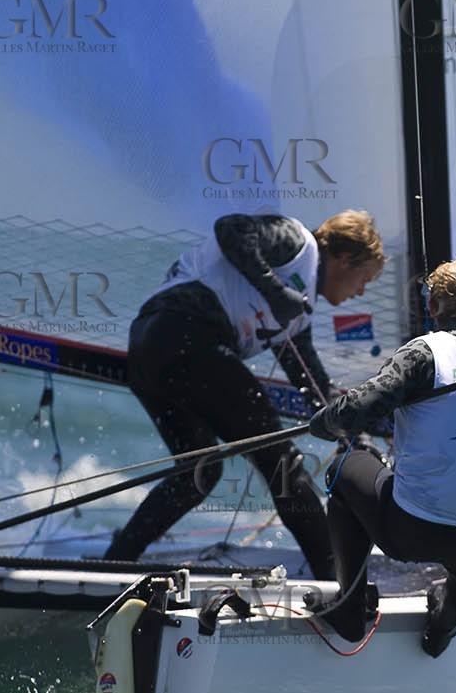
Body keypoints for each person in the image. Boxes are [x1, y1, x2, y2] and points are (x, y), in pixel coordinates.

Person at [103, 211, 386, 570]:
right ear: (344, 259)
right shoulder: (297, 243)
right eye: (365, 279)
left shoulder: (298, 313)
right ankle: (336, 581)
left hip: (150, 346)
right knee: (283, 465)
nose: (361, 291)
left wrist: (352, 431)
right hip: (185, 333)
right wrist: (273, 288)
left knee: (199, 473)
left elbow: (314, 385)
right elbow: (231, 228)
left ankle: (113, 565)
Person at [307, 258, 456, 657]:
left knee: (349, 464)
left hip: (409, 529)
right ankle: (442, 629)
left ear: (432, 309)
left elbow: (358, 409)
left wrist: (324, 424)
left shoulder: (424, 353)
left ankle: (349, 608)